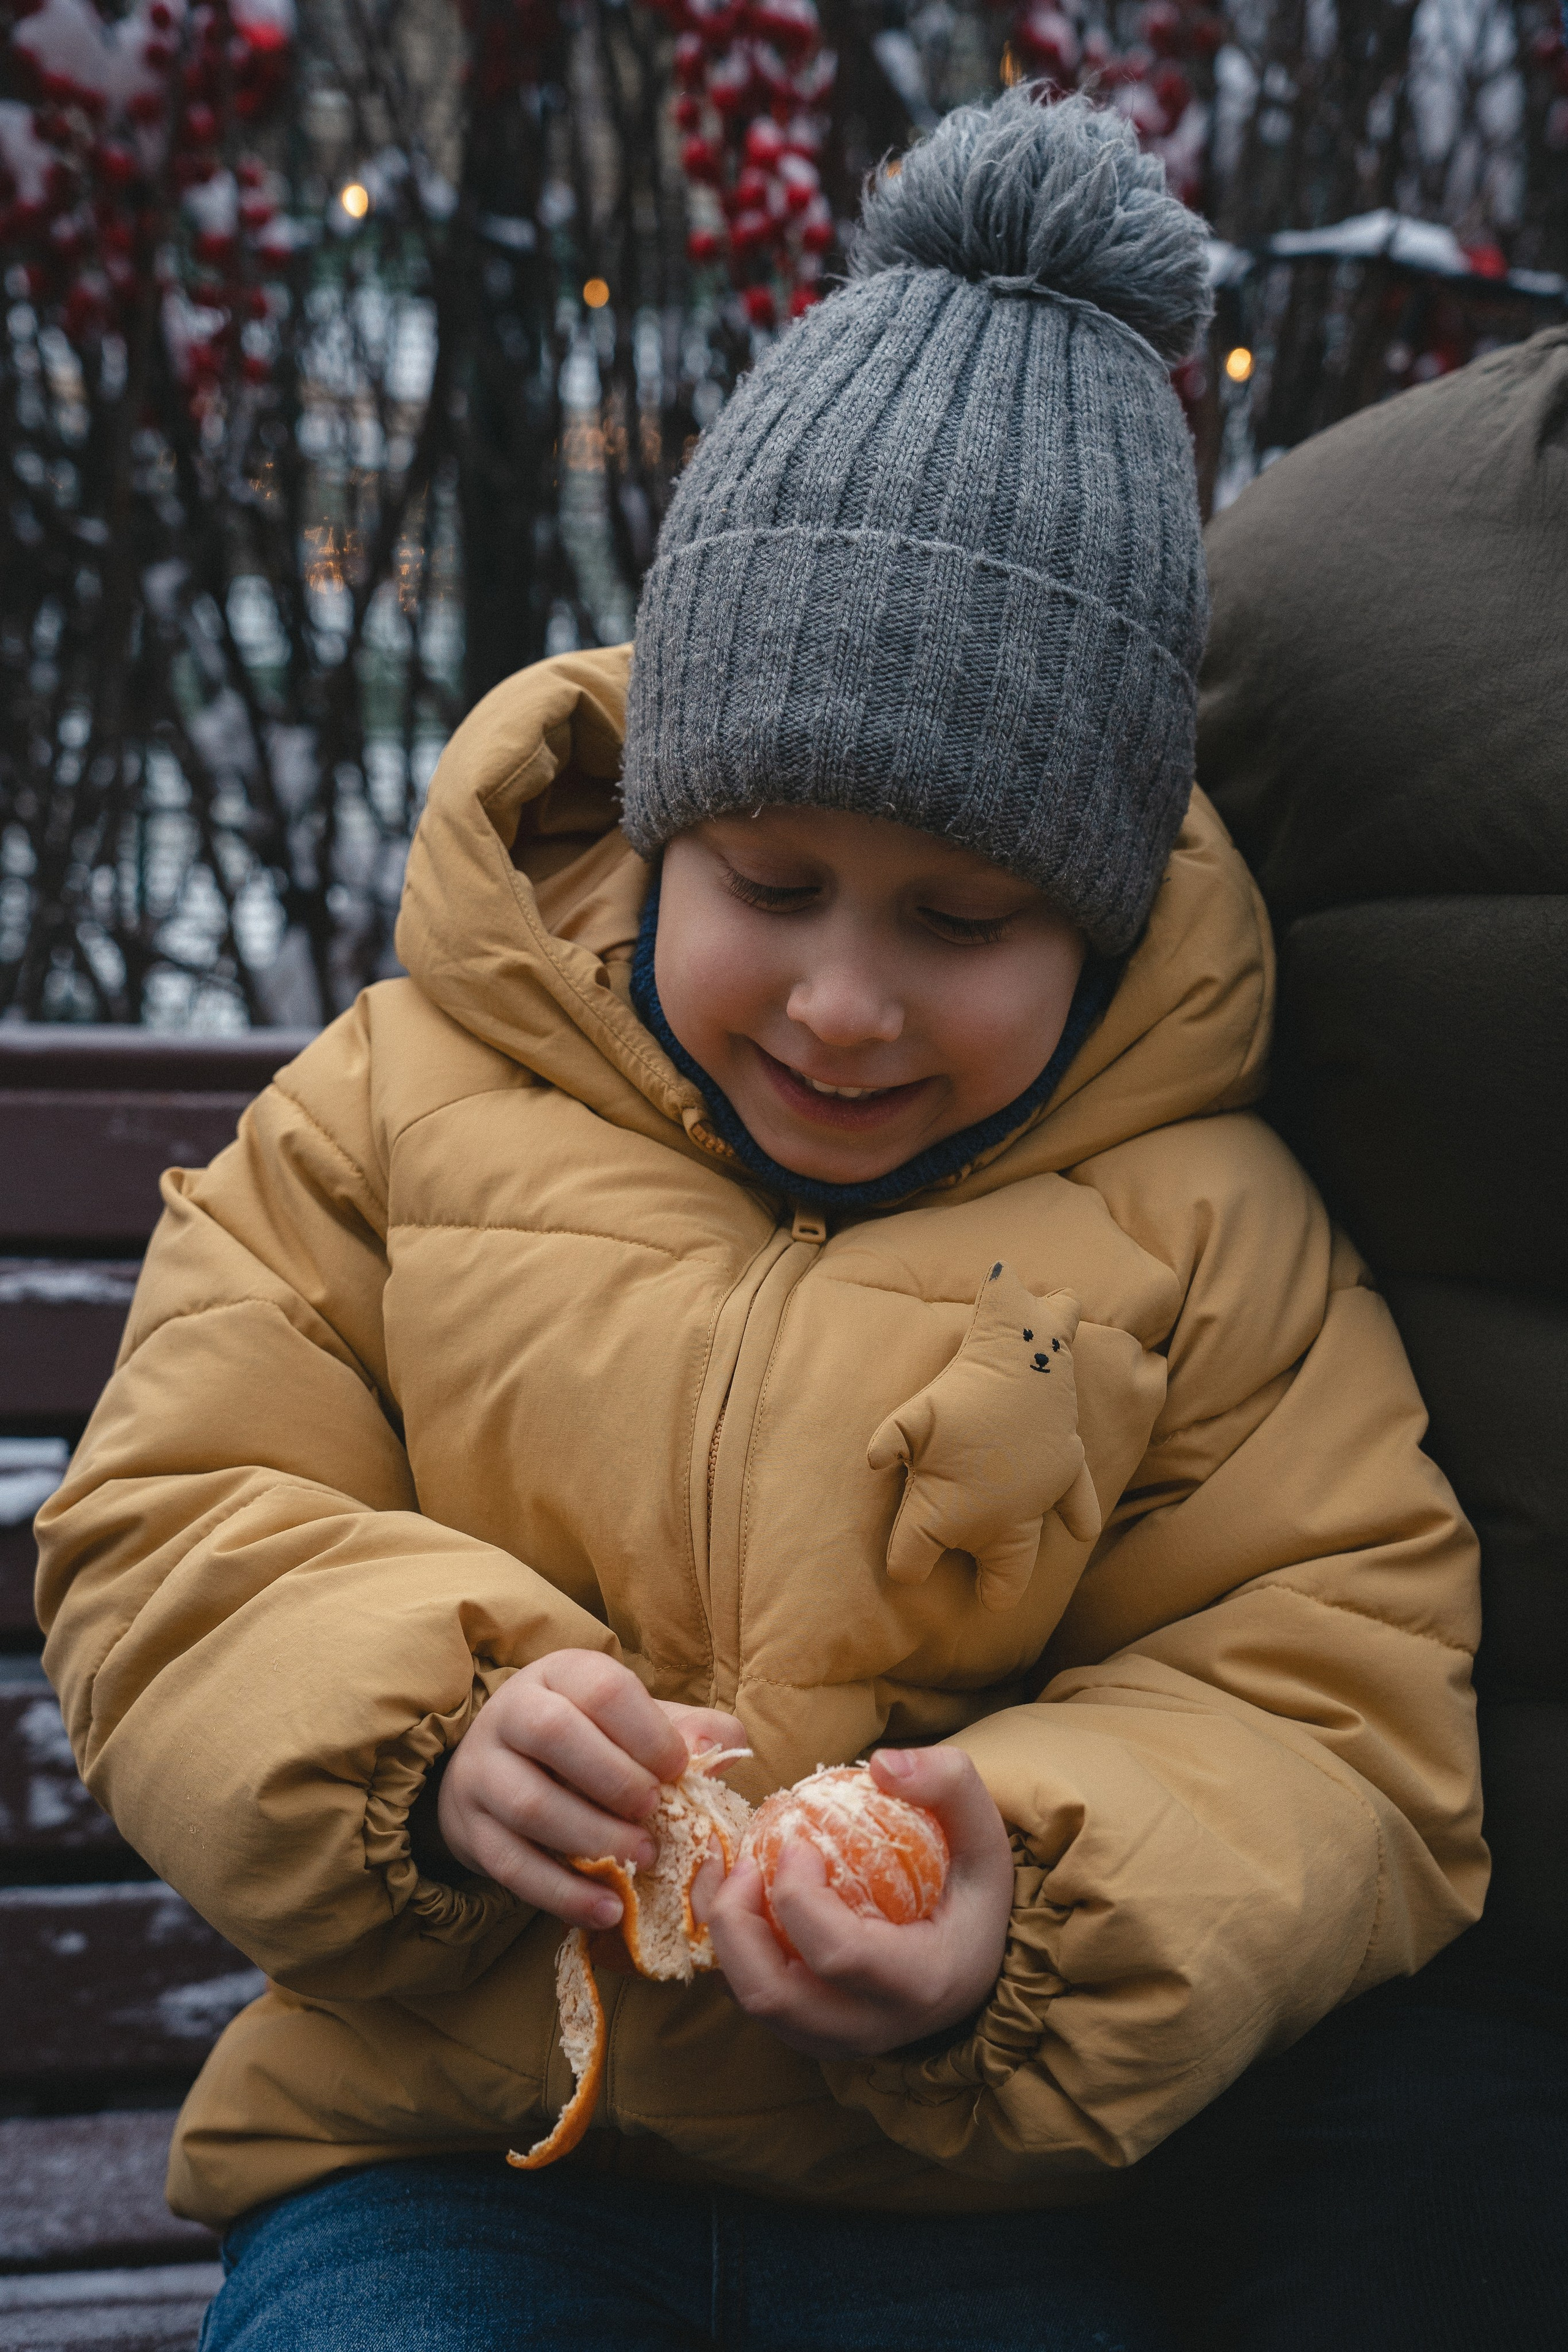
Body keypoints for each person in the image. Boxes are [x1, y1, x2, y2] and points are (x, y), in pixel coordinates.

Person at [35, 91, 1485, 2352]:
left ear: (1099, 929)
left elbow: (1338, 1708)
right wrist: (430, 1733)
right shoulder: (403, 1109)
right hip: (447, 2164)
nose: (839, 998)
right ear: (660, 824)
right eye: (771, 885)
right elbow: (174, 1522)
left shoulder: (1212, 1239)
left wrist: (1030, 1902)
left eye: (963, 921)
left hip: (967, 2210)